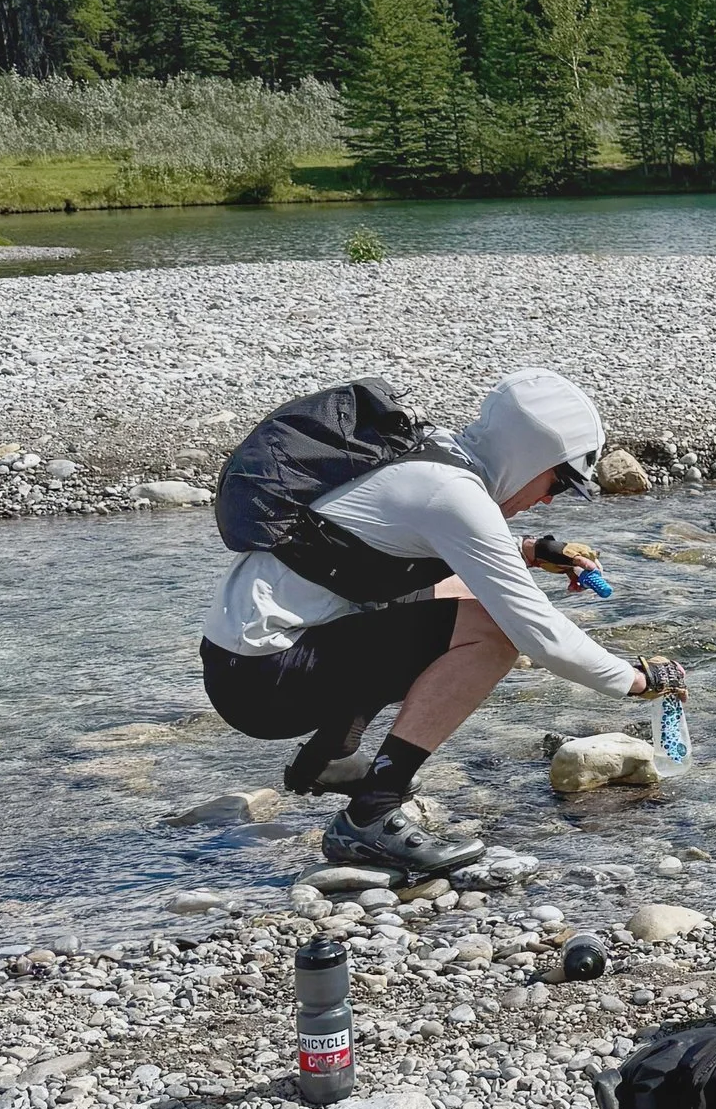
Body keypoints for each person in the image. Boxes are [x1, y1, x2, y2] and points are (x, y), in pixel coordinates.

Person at [200, 366, 684, 881]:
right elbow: (536, 634)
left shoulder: (429, 455)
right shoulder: (451, 493)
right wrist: (635, 681)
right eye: (559, 482)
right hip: (266, 678)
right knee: (493, 635)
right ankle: (370, 816)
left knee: (454, 599)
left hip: (243, 664)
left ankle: (329, 760)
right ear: (531, 457)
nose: (547, 499)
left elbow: (395, 555)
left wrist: (530, 552)